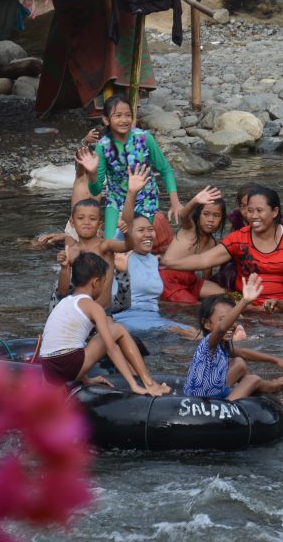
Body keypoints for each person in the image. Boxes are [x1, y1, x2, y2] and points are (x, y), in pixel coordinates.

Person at [40, 251, 171, 396]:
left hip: (49, 370)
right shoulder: (94, 307)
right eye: (103, 282)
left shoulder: (65, 302)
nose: (103, 287)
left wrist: (87, 379)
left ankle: (85, 378)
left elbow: (66, 343)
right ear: (96, 282)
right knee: (118, 329)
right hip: (68, 366)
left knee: (80, 342)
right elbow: (111, 348)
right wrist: (133, 385)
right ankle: (150, 383)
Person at [161, 186, 283, 309]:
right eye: (250, 211)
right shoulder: (238, 238)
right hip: (249, 309)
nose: (254, 216)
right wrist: (167, 263)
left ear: (274, 212)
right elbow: (204, 260)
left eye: (259, 210)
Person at [184, 273, 283, 401]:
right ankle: (279, 384)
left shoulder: (222, 345)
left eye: (232, 318)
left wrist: (277, 360)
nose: (230, 324)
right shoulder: (208, 344)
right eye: (223, 320)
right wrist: (244, 301)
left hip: (212, 391)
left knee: (239, 363)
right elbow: (220, 329)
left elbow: (243, 353)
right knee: (253, 379)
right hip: (202, 404)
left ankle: (268, 397)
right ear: (207, 324)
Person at [75, 94, 182, 239]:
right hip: (116, 201)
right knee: (111, 244)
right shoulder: (103, 146)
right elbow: (96, 190)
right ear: (106, 120)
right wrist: (92, 173)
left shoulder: (145, 138)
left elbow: (165, 170)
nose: (124, 120)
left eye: (128, 115)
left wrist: (175, 202)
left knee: (139, 244)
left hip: (145, 199)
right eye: (118, 115)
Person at [110, 166, 194, 334]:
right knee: (184, 332)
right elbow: (126, 222)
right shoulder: (122, 251)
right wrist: (132, 194)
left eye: (150, 229)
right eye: (141, 231)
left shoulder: (151, 259)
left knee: (192, 333)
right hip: (125, 320)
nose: (148, 234)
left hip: (153, 318)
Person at [52, 168, 144, 311]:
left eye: (93, 219)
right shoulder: (71, 251)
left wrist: (126, 234)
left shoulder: (105, 246)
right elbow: (63, 292)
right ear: (72, 222)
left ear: (100, 224)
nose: (87, 222)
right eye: (81, 218)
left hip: (103, 312)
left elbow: (128, 246)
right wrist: (64, 268)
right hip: (79, 315)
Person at [159, 185, 228, 303]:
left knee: (226, 294)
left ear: (222, 219)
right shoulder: (189, 228)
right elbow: (183, 215)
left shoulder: (211, 243)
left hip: (191, 281)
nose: (211, 220)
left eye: (216, 216)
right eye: (206, 214)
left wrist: (209, 295)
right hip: (168, 278)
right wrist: (195, 200)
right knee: (194, 306)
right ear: (198, 215)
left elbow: (206, 275)